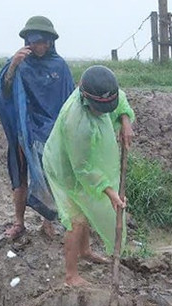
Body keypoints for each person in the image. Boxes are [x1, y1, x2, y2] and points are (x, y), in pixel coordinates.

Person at [43, 65, 135, 287]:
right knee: (76, 219)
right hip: (65, 169)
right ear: (86, 99)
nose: (105, 112)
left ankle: (85, 251)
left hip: (82, 164)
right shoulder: (77, 123)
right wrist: (110, 192)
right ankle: (70, 276)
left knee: (86, 208)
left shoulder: (99, 89)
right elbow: (83, 169)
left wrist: (124, 120)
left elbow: (119, 98)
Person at [0, 16, 73, 240]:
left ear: (50, 42)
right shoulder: (18, 63)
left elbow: (69, 101)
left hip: (50, 132)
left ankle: (47, 222)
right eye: (36, 42)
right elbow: (5, 94)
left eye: (44, 42)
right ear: (28, 41)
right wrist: (12, 67)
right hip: (23, 130)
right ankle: (18, 222)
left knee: (49, 176)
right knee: (20, 175)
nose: (40, 46)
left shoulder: (60, 66)